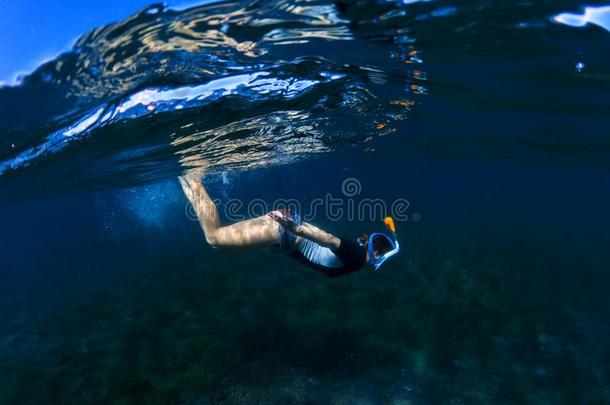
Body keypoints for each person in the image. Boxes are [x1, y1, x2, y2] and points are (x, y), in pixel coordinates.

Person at [179, 170, 400, 277]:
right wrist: (296, 229)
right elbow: (328, 239)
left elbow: (327, 244)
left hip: (287, 231)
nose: (365, 239)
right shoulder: (356, 257)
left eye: (372, 241)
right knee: (214, 238)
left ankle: (188, 177)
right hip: (285, 231)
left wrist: (295, 230)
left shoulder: (356, 259)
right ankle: (195, 177)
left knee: (217, 243)